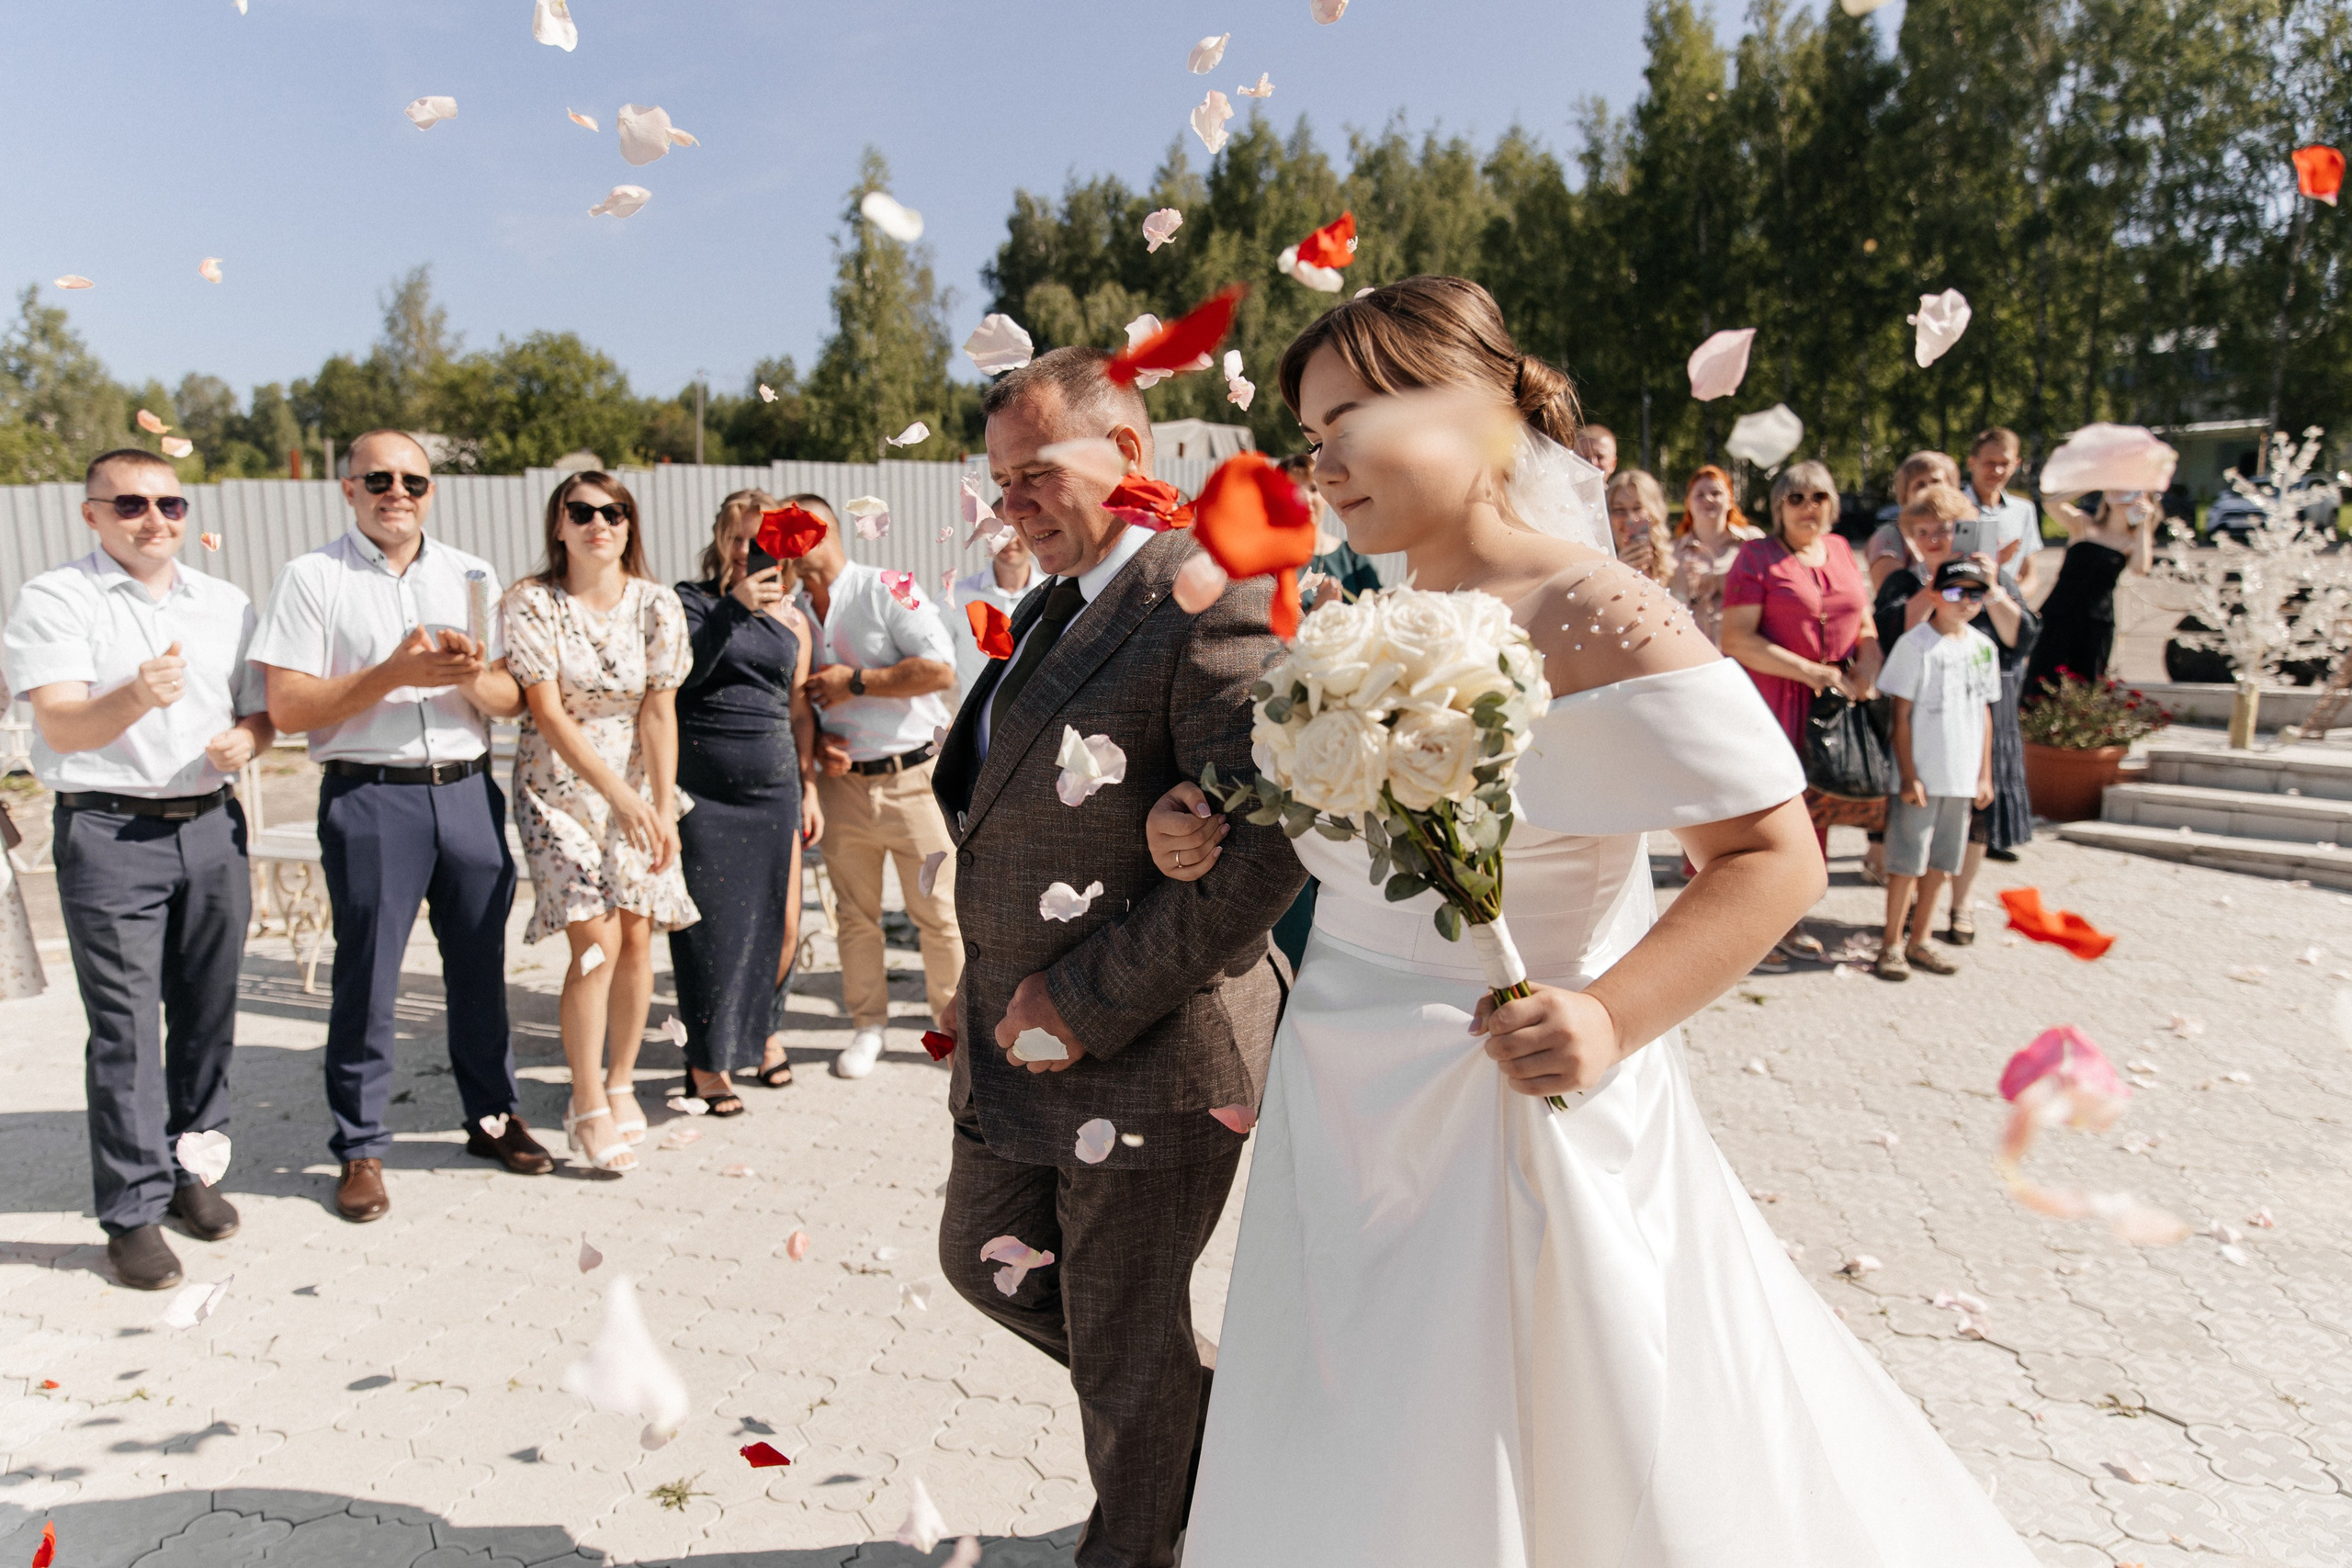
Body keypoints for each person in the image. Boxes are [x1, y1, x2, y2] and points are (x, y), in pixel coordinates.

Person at [1147, 277, 2040, 1567]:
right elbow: (1358, 842)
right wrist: (1210, 822)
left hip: (1514, 1095)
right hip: (1342, 1092)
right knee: (1354, 1424)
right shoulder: (1357, 622)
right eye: (1310, 434)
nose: (1321, 464)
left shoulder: (1595, 609)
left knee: (1533, 1436)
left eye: (1349, 423)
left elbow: (1772, 856)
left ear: (1474, 412)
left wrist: (1611, 1017)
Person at [927, 346, 1307, 1568]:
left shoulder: (1205, 595)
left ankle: (1143, 1536)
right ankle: (1221, 1427)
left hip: (1149, 1048)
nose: (1013, 501)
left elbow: (1263, 853)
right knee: (986, 1264)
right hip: (1015, 1037)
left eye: (1037, 470)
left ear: (1127, 452)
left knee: (1125, 1339)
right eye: (1000, 479)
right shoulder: (1055, 602)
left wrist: (1085, 1001)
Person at [251, 428, 550, 1224]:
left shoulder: (470, 574)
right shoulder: (312, 577)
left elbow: (509, 699)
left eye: (412, 481)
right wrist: (394, 673)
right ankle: (360, 1146)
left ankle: (493, 1118)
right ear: (348, 488)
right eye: (378, 478)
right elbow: (288, 707)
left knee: (480, 968)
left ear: (431, 492)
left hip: (465, 790)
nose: (397, 493)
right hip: (372, 794)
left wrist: (470, 676)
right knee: (370, 977)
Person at [5, 449, 271, 1289]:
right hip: (111, 830)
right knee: (125, 1032)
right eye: (130, 504)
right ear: (91, 514)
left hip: (211, 825)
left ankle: (192, 1172)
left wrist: (249, 739)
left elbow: (260, 713)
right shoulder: (57, 597)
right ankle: (130, 1212)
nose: (154, 519)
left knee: (206, 1017)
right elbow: (61, 725)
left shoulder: (224, 602)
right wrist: (134, 694)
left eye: (170, 503)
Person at [502, 473, 698, 1173]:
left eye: (613, 512)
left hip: (639, 786)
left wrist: (661, 806)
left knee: (637, 934)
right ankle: (584, 1103)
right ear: (558, 525)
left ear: (629, 523)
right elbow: (547, 711)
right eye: (581, 512)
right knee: (594, 939)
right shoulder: (532, 602)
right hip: (560, 787)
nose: (599, 524)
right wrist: (619, 796)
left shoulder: (656, 604)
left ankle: (619, 1080)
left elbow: (659, 711)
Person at [795, 494, 964, 1080]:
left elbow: (941, 668)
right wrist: (818, 741)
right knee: (854, 916)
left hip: (913, 778)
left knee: (938, 915)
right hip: (842, 786)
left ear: (826, 529)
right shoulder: (789, 609)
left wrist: (857, 682)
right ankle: (867, 1027)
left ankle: (952, 1035)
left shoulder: (891, 586)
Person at [670, 490, 822, 1109]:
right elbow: (682, 673)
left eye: (758, 541)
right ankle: (705, 1062)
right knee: (712, 933)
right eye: (736, 538)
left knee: (782, 925)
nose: (745, 551)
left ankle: (763, 1032)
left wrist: (810, 786)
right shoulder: (691, 601)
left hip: (775, 788)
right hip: (704, 792)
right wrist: (734, 606)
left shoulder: (794, 619)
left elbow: (799, 707)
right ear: (719, 539)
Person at [1720, 459, 1881, 956]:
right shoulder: (1757, 557)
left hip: (1831, 703)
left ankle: (1790, 917)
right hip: (1776, 701)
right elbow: (1736, 638)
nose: (1808, 507)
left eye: (1819, 497)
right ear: (1778, 507)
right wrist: (1811, 671)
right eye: (1796, 498)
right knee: (1773, 816)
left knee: (1818, 811)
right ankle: (1759, 929)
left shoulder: (1840, 549)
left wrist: (1868, 666)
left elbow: (1865, 623)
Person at [1874, 486, 2038, 931]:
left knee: (1975, 816)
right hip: (1922, 717)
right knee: (1918, 825)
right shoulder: (1905, 582)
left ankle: (1960, 905)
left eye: (1944, 530)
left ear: (1964, 530)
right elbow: (1890, 633)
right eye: (1922, 532)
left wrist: (1992, 585)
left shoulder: (1991, 579)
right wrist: (1934, 590)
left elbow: (2021, 639)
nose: (1933, 539)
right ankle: (1911, 916)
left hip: (1982, 707)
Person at [1873, 558, 2001, 982]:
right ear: (1933, 595)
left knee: (1942, 863)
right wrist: (1909, 774)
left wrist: (1983, 775)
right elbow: (1900, 715)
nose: (1965, 601)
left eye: (1975, 593)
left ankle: (1921, 939)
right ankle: (1891, 943)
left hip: (1961, 777)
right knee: (1907, 862)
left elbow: (1984, 714)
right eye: (1954, 591)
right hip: (1923, 776)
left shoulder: (1983, 647)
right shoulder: (1916, 645)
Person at [2023, 487, 2157, 702]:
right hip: (2059, 614)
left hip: (2097, 622)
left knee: (2086, 686)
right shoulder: (2083, 524)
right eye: (2117, 490)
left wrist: (2144, 522)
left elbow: (2140, 568)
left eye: (2132, 492)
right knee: (2041, 680)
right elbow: (2051, 504)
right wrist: (2091, 483)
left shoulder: (2132, 541)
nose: (2123, 496)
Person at [1666, 463, 1762, 642]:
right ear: (1688, 503)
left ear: (1730, 500)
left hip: (1742, 649)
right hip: (1690, 646)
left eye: (1716, 493)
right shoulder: (1671, 552)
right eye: (1699, 495)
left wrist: (1714, 580)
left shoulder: (1752, 541)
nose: (1708, 499)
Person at [949, 522, 1038, 696]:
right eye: (998, 530)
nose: (1009, 540)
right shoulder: (955, 597)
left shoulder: (1054, 593)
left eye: (1016, 530)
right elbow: (933, 661)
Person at [1955, 427, 2044, 595]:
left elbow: (2030, 576)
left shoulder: (2024, 510)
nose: (1997, 471)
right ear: (1971, 463)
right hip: (1960, 604)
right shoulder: (1952, 508)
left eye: (2004, 463)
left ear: (2016, 464)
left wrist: (2006, 601)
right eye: (1989, 463)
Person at [1864, 450, 1965, 594]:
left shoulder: (1962, 529)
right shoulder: (1889, 536)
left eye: (1936, 482)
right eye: (1920, 485)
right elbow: (1890, 597)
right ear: (1905, 494)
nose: (1929, 490)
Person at [1604, 467, 1671, 582]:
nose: (1630, 518)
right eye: (1619, 510)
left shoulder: (1675, 567)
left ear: (1653, 512)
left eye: (1637, 508)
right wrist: (1619, 572)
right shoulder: (1599, 566)